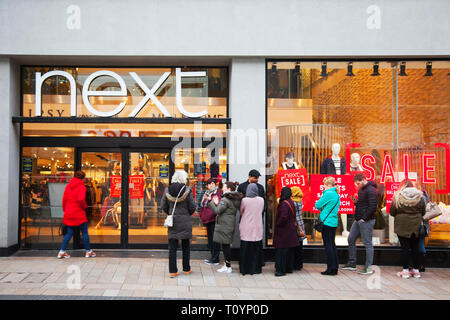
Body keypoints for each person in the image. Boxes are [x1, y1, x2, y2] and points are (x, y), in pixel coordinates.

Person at [160, 170, 196, 278]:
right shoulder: (187, 190)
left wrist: (170, 213)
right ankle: (186, 269)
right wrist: (187, 214)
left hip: (173, 222)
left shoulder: (167, 190)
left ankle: (173, 271)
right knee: (186, 246)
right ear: (183, 178)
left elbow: (163, 205)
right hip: (185, 222)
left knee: (172, 248)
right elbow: (192, 207)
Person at [342, 173, 377, 275]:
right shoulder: (362, 189)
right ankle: (352, 263)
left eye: (358, 183)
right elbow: (363, 204)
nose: (357, 185)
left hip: (366, 220)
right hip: (359, 219)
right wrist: (356, 202)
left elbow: (373, 206)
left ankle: (368, 267)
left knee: (367, 243)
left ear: (363, 179)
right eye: (356, 184)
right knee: (351, 239)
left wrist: (364, 218)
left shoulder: (370, 189)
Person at [389, 179, 426, 279]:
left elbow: (392, 212)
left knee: (404, 248)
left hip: (402, 225)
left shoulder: (397, 196)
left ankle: (405, 271)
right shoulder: (420, 196)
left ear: (402, 186)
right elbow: (423, 212)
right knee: (415, 248)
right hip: (416, 226)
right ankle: (416, 271)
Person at [205, 182, 242, 273]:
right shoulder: (234, 198)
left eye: (224, 187)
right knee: (226, 245)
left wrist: (210, 201)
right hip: (229, 224)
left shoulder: (226, 199)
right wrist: (217, 203)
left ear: (229, 189)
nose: (223, 188)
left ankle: (228, 267)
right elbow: (225, 209)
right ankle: (227, 264)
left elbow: (217, 211)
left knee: (225, 246)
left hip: (225, 224)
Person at [58, 171, 96, 259]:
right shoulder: (82, 187)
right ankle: (88, 251)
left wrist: (65, 210)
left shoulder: (68, 186)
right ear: (83, 178)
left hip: (69, 213)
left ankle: (62, 252)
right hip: (78, 213)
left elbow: (64, 200)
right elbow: (81, 199)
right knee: (84, 232)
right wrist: (85, 207)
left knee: (69, 233)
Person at [314, 177, 340, 276]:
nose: (323, 187)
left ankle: (330, 269)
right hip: (333, 222)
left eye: (324, 185)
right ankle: (334, 267)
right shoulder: (337, 195)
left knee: (328, 246)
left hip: (326, 223)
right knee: (332, 245)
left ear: (329, 185)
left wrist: (322, 207)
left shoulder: (328, 194)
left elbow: (317, 204)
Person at [273, 187, 300, 276]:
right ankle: (288, 268)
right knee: (288, 251)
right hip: (290, 230)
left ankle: (281, 270)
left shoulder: (284, 204)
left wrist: (278, 224)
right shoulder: (291, 202)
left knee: (282, 251)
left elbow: (283, 217)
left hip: (283, 231)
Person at [239, 183, 265, 275]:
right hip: (257, 226)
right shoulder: (261, 200)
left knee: (245, 249)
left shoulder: (244, 200)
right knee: (256, 249)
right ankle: (256, 269)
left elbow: (241, 212)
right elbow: (261, 211)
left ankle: (245, 269)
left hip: (246, 226)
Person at [199, 178, 222, 264]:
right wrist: (202, 215)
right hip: (207, 220)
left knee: (215, 240)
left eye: (212, 183)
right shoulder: (206, 193)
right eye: (209, 184)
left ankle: (215, 259)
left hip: (213, 219)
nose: (211, 185)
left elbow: (217, 206)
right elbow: (202, 206)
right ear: (207, 186)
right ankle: (213, 257)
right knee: (210, 239)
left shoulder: (217, 194)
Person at [414, 180, 429, 272]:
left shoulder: (421, 197)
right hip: (422, 224)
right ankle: (421, 265)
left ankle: (420, 265)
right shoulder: (424, 196)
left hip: (420, 224)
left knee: (419, 244)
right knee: (420, 243)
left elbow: (421, 212)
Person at [291, 186, 306, 270]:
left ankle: (294, 264)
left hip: (296, 225)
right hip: (301, 224)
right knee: (300, 246)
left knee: (294, 246)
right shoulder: (300, 200)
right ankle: (299, 264)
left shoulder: (293, 202)